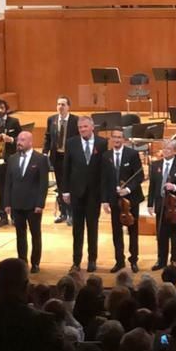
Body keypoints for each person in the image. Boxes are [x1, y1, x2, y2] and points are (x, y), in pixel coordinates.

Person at [64, 115, 108, 272]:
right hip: (76, 193)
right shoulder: (71, 143)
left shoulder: (102, 143)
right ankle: (76, 261)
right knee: (77, 229)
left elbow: (104, 171)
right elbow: (66, 168)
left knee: (92, 228)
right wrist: (65, 191)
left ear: (92, 127)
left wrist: (104, 196)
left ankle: (92, 260)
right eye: (80, 127)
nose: (82, 129)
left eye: (85, 127)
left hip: (94, 194)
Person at [7, 129, 50, 273]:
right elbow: (8, 183)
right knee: (20, 234)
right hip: (16, 203)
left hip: (33, 205)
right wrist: (7, 203)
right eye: (18, 140)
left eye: (22, 140)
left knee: (35, 234)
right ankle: (22, 261)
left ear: (30, 142)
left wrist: (40, 203)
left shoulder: (40, 159)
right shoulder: (12, 158)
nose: (19, 142)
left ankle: (35, 262)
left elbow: (44, 183)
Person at [104, 128, 144, 272]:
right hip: (115, 200)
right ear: (111, 139)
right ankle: (119, 261)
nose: (117, 140)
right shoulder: (106, 156)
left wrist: (127, 190)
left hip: (131, 199)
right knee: (116, 232)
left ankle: (133, 260)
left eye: (119, 137)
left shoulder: (132, 154)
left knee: (133, 230)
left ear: (124, 139)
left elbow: (139, 176)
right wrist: (105, 200)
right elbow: (104, 180)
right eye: (114, 137)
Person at [148, 138, 176, 268]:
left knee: (175, 235)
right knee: (161, 234)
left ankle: (175, 261)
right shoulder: (155, 165)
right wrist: (150, 204)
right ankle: (161, 260)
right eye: (164, 148)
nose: (165, 151)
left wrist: (175, 187)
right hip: (161, 205)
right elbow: (152, 186)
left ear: (175, 151)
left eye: (169, 149)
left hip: (175, 206)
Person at [46, 97, 79, 224]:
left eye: (63, 104)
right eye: (58, 104)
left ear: (68, 106)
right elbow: (48, 136)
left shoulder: (75, 120)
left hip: (70, 158)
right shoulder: (52, 119)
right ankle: (63, 212)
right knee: (60, 186)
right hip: (57, 157)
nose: (60, 106)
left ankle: (72, 214)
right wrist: (45, 152)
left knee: (70, 186)